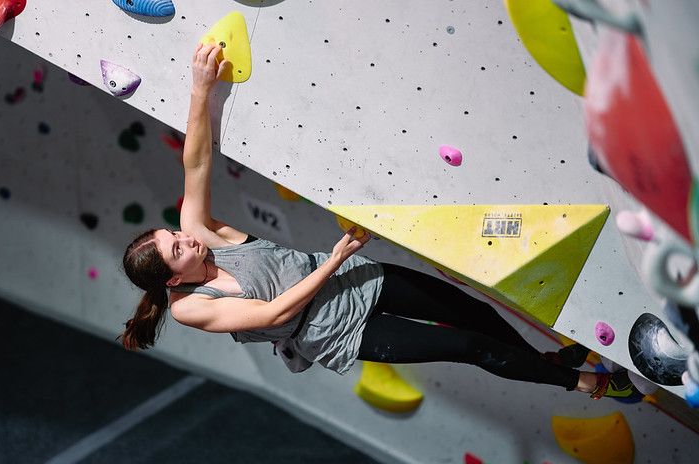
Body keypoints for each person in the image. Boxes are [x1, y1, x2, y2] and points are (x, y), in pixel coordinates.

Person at [118, 42, 639, 402]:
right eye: (177, 248)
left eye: (174, 234)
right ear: (172, 279)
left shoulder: (202, 233)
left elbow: (196, 161)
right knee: (467, 347)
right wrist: (339, 256)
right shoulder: (191, 309)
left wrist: (199, 88)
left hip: (350, 277)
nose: (184, 237)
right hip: (340, 330)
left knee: (470, 310)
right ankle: (588, 386)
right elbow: (275, 313)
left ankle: (546, 363)